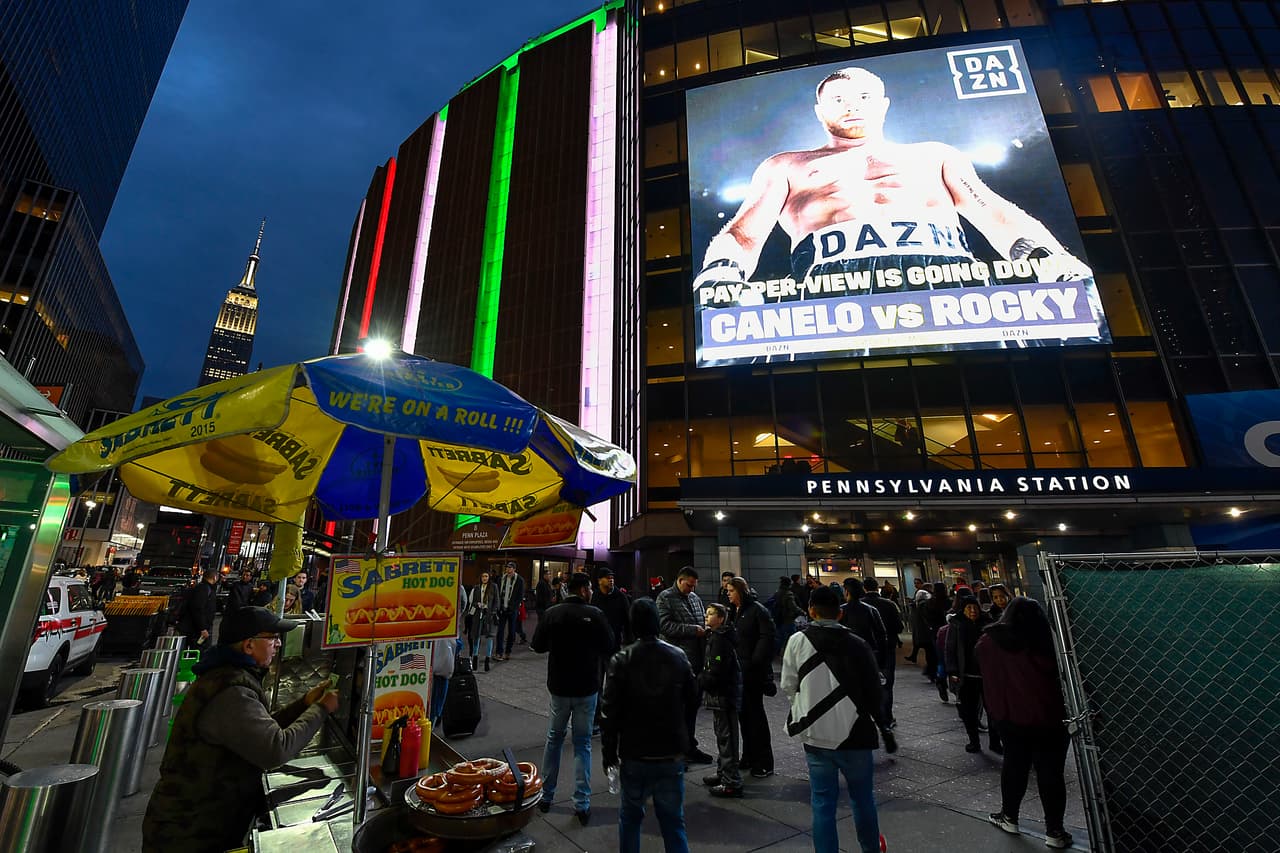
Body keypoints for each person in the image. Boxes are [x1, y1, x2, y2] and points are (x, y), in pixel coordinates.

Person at [694, 67, 1091, 302]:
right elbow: (744, 233)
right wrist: (718, 276)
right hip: (833, 297)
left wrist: (1052, 259)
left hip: (951, 288)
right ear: (820, 112)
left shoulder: (935, 155)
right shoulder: (786, 166)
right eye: (839, 99)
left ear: (883, 104)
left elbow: (993, 213)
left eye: (864, 96)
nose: (852, 105)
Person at [142, 606, 338, 852]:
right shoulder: (230, 690)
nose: (278, 644)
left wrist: (304, 704)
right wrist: (321, 709)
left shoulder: (230, 675)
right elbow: (275, 749)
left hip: (203, 821)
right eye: (272, 638)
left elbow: (260, 728)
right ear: (248, 645)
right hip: (189, 832)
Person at [782, 586, 892, 853]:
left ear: (810, 611)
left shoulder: (797, 641)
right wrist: (883, 726)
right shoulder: (858, 644)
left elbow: (788, 685)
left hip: (816, 733)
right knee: (863, 798)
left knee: (822, 803)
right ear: (840, 613)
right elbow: (874, 691)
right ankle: (870, 848)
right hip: (856, 732)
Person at [602, 598, 697, 853]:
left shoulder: (621, 660)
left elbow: (609, 713)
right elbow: (693, 699)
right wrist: (685, 737)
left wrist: (609, 754)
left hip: (635, 752)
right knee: (673, 822)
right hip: (671, 751)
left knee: (631, 819)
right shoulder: (678, 656)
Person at [978, 597, 1073, 850]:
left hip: (1008, 717)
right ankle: (1055, 830)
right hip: (1048, 716)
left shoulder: (989, 642)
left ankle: (1009, 816)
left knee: (1014, 766)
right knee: (1050, 773)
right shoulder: (1047, 641)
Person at [530, 572, 615, 825]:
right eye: (589, 587)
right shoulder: (596, 615)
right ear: (584, 589)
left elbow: (537, 645)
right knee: (583, 744)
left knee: (554, 739)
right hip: (587, 687)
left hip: (559, 686)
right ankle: (582, 802)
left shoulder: (553, 614)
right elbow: (610, 644)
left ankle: (546, 796)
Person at [656, 566, 714, 765]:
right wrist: (692, 630)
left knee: (691, 708)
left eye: (694, 586)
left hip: (696, 664)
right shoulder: (665, 598)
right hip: (676, 663)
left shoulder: (694, 599)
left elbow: (701, 621)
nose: (691, 589)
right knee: (677, 709)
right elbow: (664, 626)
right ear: (680, 581)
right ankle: (675, 750)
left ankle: (689, 746)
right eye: (689, 585)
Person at [726, 577, 775, 779]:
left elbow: (767, 638)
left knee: (756, 718)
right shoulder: (736, 611)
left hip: (752, 673)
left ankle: (764, 762)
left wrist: (755, 662)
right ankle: (749, 756)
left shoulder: (757, 611)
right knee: (744, 717)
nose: (728, 594)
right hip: (740, 672)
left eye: (730, 590)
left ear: (740, 591)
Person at [946, 592, 1002, 754]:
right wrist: (952, 670)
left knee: (992, 710)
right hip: (966, 676)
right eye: (968, 607)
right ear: (962, 609)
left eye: (975, 607)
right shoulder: (956, 624)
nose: (972, 611)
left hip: (987, 675)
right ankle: (974, 741)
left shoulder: (988, 623)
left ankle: (995, 741)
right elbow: (950, 649)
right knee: (968, 711)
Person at [699, 603, 743, 797]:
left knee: (726, 737)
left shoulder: (719, 639)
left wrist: (701, 680)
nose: (706, 617)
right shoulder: (718, 637)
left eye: (710, 614)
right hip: (723, 694)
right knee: (722, 735)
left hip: (723, 695)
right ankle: (723, 773)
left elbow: (715, 668)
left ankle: (731, 781)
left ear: (721, 618)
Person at [591, 568, 632, 731]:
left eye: (612, 577)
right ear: (599, 581)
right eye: (607, 578)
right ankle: (596, 718)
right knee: (597, 684)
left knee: (614, 685)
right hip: (597, 648)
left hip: (615, 648)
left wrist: (628, 644)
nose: (611, 580)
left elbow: (628, 622)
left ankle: (613, 717)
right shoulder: (595, 596)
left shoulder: (620, 597)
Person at [861, 578, 904, 727]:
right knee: (886, 683)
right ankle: (886, 716)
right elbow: (899, 627)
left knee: (865, 682)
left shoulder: (859, 606)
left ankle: (869, 714)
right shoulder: (889, 604)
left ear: (864, 588)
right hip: (886, 648)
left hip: (865, 650)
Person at [839, 579, 886, 668]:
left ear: (847, 592)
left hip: (846, 654)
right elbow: (881, 634)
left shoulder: (840, 611)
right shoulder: (871, 610)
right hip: (868, 652)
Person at [465, 570, 498, 672]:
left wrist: (493, 611)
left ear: (489, 577)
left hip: (489, 616)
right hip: (477, 615)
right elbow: (472, 602)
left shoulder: (493, 587)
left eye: (486, 576)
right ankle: (475, 658)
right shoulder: (476, 588)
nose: (485, 578)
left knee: (489, 637)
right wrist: (477, 604)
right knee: (476, 637)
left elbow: (496, 601)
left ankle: (487, 660)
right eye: (483, 576)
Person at [179, 569, 219, 651]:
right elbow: (198, 609)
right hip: (198, 629)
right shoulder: (204, 589)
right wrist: (203, 628)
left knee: (199, 650)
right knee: (199, 650)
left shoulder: (203, 587)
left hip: (199, 627)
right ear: (215, 577)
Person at [494, 561, 525, 662]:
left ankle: (508, 651)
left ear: (514, 569)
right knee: (500, 631)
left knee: (511, 632)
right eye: (507, 567)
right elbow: (498, 593)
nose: (508, 569)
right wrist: (498, 607)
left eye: (510, 568)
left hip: (512, 610)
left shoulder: (519, 580)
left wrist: (513, 607)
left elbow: (520, 596)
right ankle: (499, 652)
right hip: (502, 609)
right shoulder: (501, 579)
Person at [429, 636, 460, 729]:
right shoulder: (449, 628)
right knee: (434, 711)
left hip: (431, 674)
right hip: (441, 675)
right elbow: (458, 644)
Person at [772, 576, 803, 650]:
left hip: (778, 618)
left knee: (780, 637)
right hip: (788, 618)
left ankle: (777, 652)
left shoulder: (777, 592)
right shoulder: (788, 594)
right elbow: (793, 607)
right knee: (793, 637)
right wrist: (802, 612)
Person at [905, 577, 930, 663]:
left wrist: (912, 603)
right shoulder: (919, 592)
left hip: (920, 621)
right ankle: (913, 656)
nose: (915, 585)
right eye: (915, 583)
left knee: (921, 640)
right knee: (918, 640)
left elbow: (918, 604)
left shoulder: (922, 593)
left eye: (917, 583)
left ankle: (914, 656)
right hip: (918, 620)